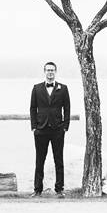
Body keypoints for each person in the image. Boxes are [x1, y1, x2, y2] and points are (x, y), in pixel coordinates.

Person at [29, 61, 70, 198]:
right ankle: (37, 189)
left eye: (52, 70)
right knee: (39, 160)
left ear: (55, 71)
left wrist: (65, 126)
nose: (50, 72)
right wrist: (34, 127)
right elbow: (33, 108)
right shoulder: (36, 88)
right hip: (41, 129)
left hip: (58, 129)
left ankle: (59, 189)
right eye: (48, 70)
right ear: (44, 72)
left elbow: (67, 108)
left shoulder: (63, 88)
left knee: (59, 160)